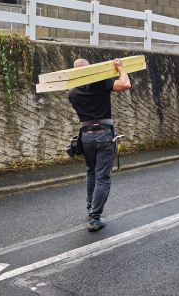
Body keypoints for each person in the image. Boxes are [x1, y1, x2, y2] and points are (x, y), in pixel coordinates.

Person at [67, 58, 131, 231]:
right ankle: (95, 218)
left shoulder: (71, 92)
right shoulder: (100, 82)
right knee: (102, 176)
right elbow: (125, 84)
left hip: (85, 136)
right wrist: (120, 68)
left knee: (91, 173)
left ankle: (90, 210)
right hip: (104, 135)